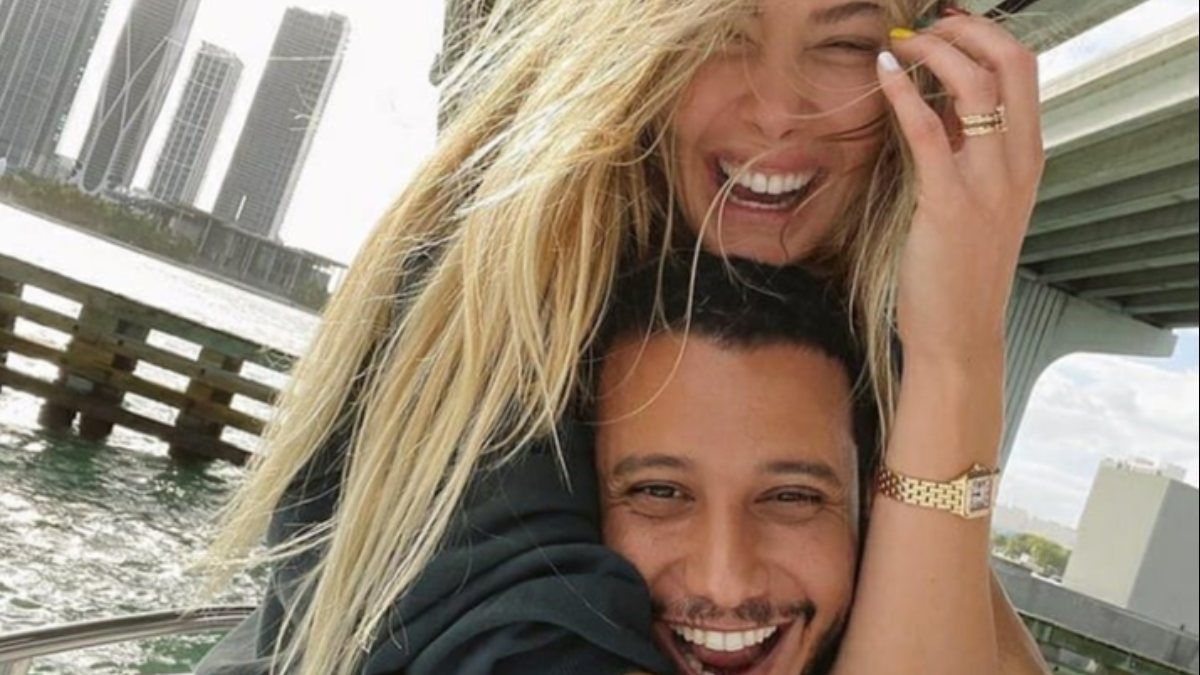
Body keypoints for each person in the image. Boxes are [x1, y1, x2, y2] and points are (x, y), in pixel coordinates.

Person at [196, 0, 1047, 672]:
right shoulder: (491, 324)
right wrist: (959, 356)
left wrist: (944, 356)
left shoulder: (854, 334)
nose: (778, 111)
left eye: (846, 44)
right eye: (719, 34)